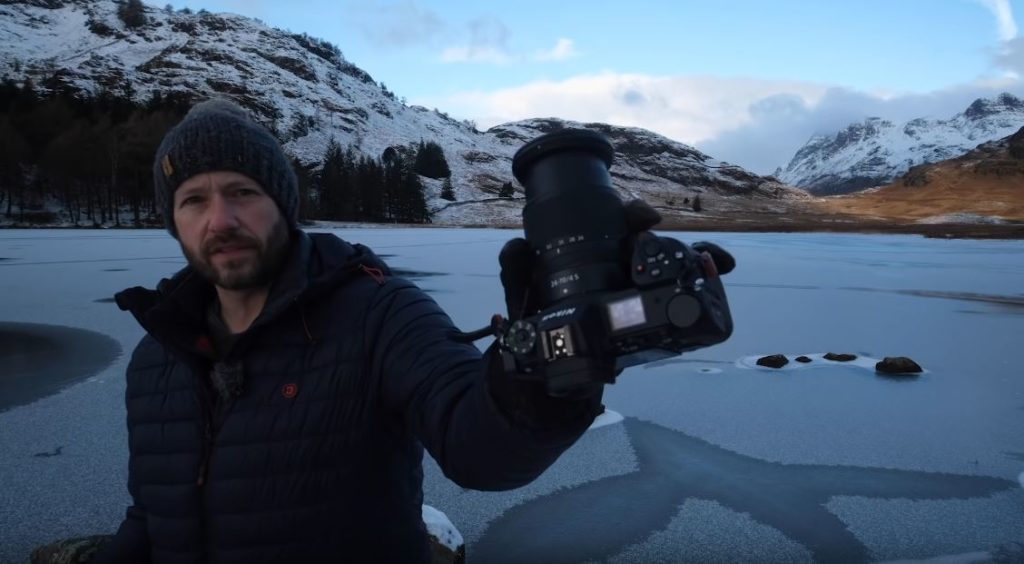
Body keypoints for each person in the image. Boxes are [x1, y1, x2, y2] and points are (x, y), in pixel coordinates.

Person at [92, 98, 681, 564]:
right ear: (173, 221)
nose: (220, 220)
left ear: (283, 204)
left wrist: (551, 364)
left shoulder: (379, 313)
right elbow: (155, 515)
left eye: (242, 192)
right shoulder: (157, 357)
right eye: (193, 200)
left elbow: (482, 450)